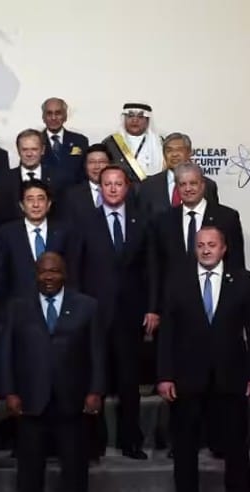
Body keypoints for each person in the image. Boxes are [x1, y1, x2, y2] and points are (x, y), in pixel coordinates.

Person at [158, 226, 250, 492]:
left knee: (236, 450)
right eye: (201, 245)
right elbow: (167, 334)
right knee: (185, 451)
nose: (206, 250)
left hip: (230, 379)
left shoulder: (243, 281)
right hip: (186, 380)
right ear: (195, 249)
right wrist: (164, 375)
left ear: (224, 248)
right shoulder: (177, 281)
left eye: (212, 244)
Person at [1, 252, 104, 492]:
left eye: (54, 271)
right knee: (30, 466)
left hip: (72, 397)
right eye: (43, 272)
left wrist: (95, 390)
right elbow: (6, 353)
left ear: (65, 274)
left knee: (75, 465)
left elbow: (97, 352)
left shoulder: (87, 306)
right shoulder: (17, 307)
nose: (48, 277)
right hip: (30, 398)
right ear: (35, 274)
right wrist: (9, 391)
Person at [74, 165, 159, 460]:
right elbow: (75, 269)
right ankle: (92, 445)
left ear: (127, 188)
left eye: (118, 183)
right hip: (93, 315)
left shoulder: (142, 221)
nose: (112, 188)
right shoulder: (85, 221)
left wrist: (152, 307)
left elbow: (151, 269)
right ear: (100, 188)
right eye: (107, 184)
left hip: (129, 314)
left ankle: (130, 441)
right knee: (93, 381)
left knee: (128, 383)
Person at [152, 162, 245, 281]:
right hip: (174, 295)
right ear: (177, 188)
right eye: (182, 184)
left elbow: (236, 262)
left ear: (202, 185)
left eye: (193, 183)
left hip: (215, 292)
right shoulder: (163, 220)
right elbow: (156, 266)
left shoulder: (227, 217)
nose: (188, 189)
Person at [0, 180, 80, 302]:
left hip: (57, 303)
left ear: (49, 204)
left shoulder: (65, 232)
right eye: (30, 199)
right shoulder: (6, 234)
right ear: (22, 205)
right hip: (18, 306)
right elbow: (1, 277)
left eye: (41, 199)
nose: (36, 204)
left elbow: (72, 273)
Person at [136, 133, 221, 217]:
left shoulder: (207, 185)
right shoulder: (148, 186)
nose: (174, 154)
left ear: (189, 152)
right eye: (169, 150)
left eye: (179, 150)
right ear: (164, 154)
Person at [103, 102, 164, 185]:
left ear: (147, 120)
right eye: (130, 116)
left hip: (151, 190)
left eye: (140, 116)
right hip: (119, 192)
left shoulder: (159, 143)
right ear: (124, 119)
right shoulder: (111, 142)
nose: (135, 120)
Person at [54, 144, 112, 223]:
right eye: (91, 162)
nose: (97, 166)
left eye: (101, 162)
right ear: (85, 166)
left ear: (110, 165)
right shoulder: (71, 196)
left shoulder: (123, 191)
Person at [39, 98, 90, 186]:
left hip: (75, 196)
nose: (53, 118)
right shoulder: (35, 142)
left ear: (65, 116)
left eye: (58, 113)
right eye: (49, 113)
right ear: (43, 117)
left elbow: (86, 173)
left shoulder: (80, 141)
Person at [8, 129, 61, 197]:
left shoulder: (57, 178)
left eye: (34, 149)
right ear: (18, 150)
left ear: (43, 150)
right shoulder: (5, 179)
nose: (29, 154)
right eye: (24, 149)